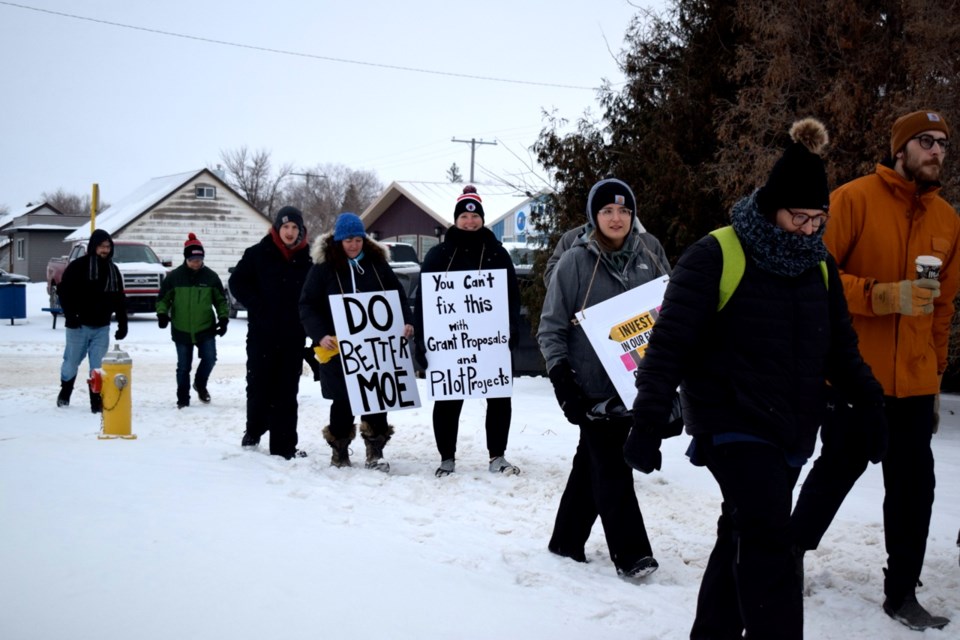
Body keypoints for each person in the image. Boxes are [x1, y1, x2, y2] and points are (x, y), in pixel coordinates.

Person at [625, 119, 886, 638]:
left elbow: (841, 351)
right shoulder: (717, 253)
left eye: (818, 219)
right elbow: (670, 343)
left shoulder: (821, 267)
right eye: (799, 217)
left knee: (742, 530)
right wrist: (648, 420)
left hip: (791, 427)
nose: (809, 230)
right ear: (772, 206)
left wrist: (874, 407)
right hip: (732, 421)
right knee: (770, 539)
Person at [791, 110, 958, 631]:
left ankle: (902, 592)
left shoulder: (948, 222)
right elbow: (813, 276)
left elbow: (944, 310)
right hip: (851, 375)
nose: (936, 151)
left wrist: (933, 379)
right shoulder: (852, 199)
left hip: (912, 381)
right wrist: (883, 295)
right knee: (837, 470)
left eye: (943, 143)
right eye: (925, 142)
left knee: (915, 487)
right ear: (900, 149)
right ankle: (787, 555)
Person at [537, 177, 671, 581]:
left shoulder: (650, 252)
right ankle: (632, 555)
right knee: (612, 463)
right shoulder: (575, 262)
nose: (617, 218)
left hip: (636, 383)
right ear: (594, 217)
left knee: (592, 463)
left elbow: (671, 306)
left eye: (625, 210)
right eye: (608, 210)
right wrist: (563, 380)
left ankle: (565, 540)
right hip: (591, 386)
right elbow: (551, 327)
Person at [415, 185, 522, 477]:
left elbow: (512, 298)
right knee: (448, 400)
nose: (470, 222)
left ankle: (497, 455)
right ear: (456, 219)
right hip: (450, 347)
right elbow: (424, 302)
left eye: (475, 217)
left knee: (499, 398)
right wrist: (423, 343)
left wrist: (512, 331)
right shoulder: (439, 256)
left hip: (491, 345)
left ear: (482, 219)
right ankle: (446, 457)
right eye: (464, 216)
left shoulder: (498, 254)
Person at [300, 212, 414, 471]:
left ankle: (375, 451)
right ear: (339, 241)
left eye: (358, 240)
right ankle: (339, 451)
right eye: (348, 240)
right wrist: (320, 334)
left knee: (376, 396)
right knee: (342, 401)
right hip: (338, 347)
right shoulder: (324, 268)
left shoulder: (376, 264)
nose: (353, 245)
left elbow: (397, 295)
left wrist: (407, 322)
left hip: (375, 347)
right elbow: (307, 305)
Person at [229, 206, 312, 460]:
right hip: (262, 336)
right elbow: (237, 283)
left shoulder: (307, 261)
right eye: (285, 227)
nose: (290, 232)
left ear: (301, 231)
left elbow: (315, 296)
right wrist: (257, 306)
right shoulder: (257, 254)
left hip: (293, 337)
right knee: (259, 387)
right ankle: (253, 430)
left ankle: (284, 447)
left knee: (287, 392)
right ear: (277, 228)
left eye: (294, 227)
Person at [56, 228, 128, 413]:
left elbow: (119, 297)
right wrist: (71, 316)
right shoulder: (78, 266)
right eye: (101, 246)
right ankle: (65, 393)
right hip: (78, 326)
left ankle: (96, 402)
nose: (105, 250)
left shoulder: (113, 269)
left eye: (108, 246)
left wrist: (123, 322)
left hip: (101, 327)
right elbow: (64, 292)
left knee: (98, 367)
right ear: (93, 247)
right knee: (71, 363)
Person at [155, 233, 229, 409]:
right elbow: (163, 299)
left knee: (210, 358)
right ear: (186, 258)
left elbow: (220, 301)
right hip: (181, 328)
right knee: (183, 367)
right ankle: (183, 399)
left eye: (199, 258)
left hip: (205, 328)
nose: (196, 262)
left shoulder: (210, 277)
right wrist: (162, 314)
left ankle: (200, 384)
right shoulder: (174, 277)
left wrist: (224, 318)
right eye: (193, 259)